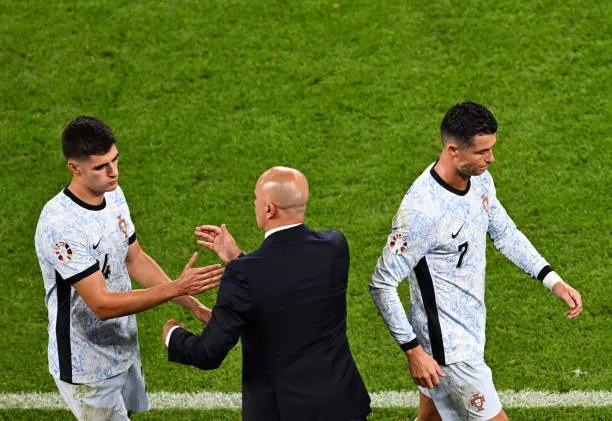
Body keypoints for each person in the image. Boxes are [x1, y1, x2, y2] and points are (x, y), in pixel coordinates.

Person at [369, 101, 583, 421]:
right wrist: (413, 351)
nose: (491, 158)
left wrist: (553, 280)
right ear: (453, 150)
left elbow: (505, 232)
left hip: (469, 331)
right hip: (448, 349)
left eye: (491, 148)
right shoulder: (421, 212)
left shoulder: (480, 179)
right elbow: (382, 283)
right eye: (482, 151)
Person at [34, 116, 224, 420]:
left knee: (130, 412)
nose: (113, 172)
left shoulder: (113, 194)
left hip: (123, 346)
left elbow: (135, 259)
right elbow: (101, 304)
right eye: (101, 167)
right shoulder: (61, 226)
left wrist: (194, 306)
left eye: (115, 159)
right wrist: (176, 287)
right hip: (88, 366)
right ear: (75, 168)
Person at [162, 166, 371, 421]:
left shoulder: (243, 276)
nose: (254, 204)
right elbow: (289, 292)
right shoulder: (335, 246)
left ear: (269, 209)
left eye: (256, 198)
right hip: (343, 404)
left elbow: (208, 353)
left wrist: (173, 334)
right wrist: (237, 257)